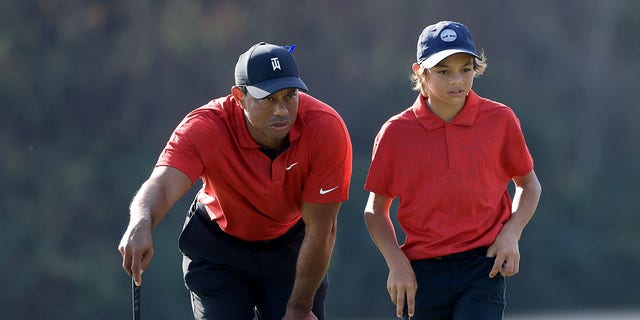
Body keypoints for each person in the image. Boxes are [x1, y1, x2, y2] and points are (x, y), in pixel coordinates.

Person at [118, 42, 352, 320]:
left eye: (290, 96)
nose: (281, 110)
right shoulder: (206, 127)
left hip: (291, 249)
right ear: (239, 96)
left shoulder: (325, 129)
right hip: (219, 250)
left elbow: (321, 229)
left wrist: (300, 308)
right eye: (268, 98)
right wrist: (141, 221)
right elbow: (163, 185)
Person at [363, 21, 542, 319]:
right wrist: (396, 262)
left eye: (466, 69)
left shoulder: (500, 119)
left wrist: (512, 233)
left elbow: (528, 184)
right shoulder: (395, 132)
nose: (457, 80)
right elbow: (375, 210)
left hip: (483, 266)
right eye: (444, 71)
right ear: (420, 71)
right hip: (422, 273)